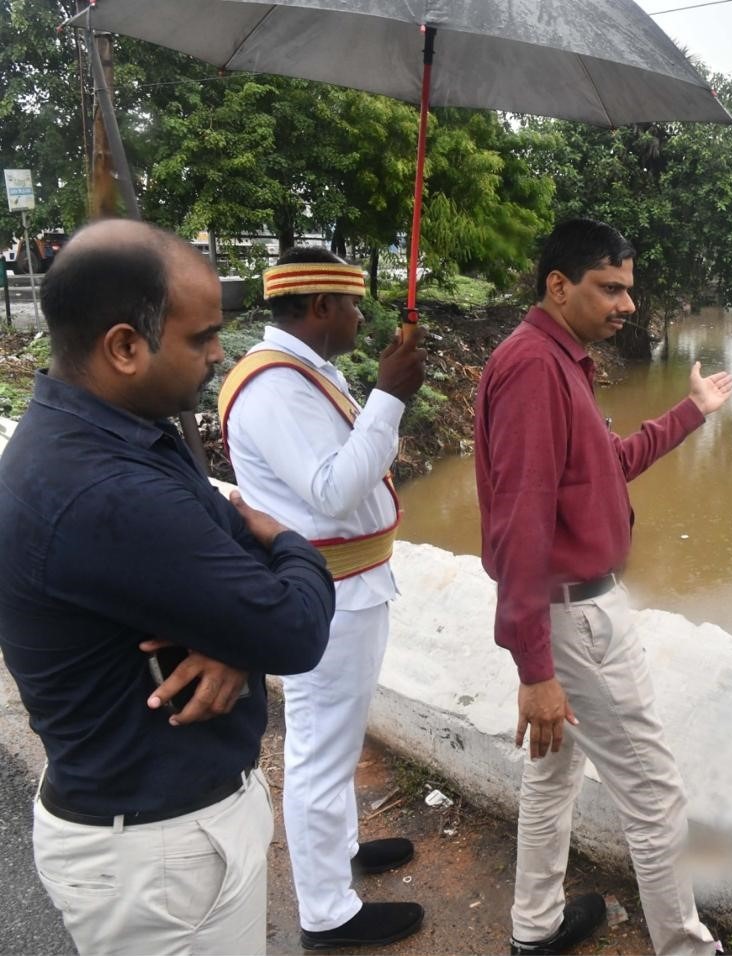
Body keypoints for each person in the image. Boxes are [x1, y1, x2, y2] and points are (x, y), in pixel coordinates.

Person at [0, 219, 336, 955]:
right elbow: (297, 630)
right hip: (157, 856)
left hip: (163, 830)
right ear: (124, 346)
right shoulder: (103, 489)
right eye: (200, 337)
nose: (219, 355)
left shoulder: (116, 431)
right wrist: (291, 544)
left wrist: (234, 635)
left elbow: (226, 561)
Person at [474, 218, 732, 956]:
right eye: (610, 288)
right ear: (558, 286)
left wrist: (691, 413)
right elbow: (519, 527)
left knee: (552, 777)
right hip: (572, 621)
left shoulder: (563, 363)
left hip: (571, 615)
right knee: (655, 799)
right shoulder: (532, 368)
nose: (627, 304)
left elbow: (607, 466)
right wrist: (535, 670)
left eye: (630, 288)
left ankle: (536, 925)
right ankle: (688, 949)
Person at [218, 247, 428, 949]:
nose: (362, 316)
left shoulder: (309, 374)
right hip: (328, 593)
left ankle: (339, 851)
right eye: (352, 304)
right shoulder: (276, 387)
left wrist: (383, 402)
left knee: (337, 740)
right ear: (318, 308)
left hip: (349, 585)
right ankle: (327, 914)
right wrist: (390, 396)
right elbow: (335, 490)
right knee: (318, 749)